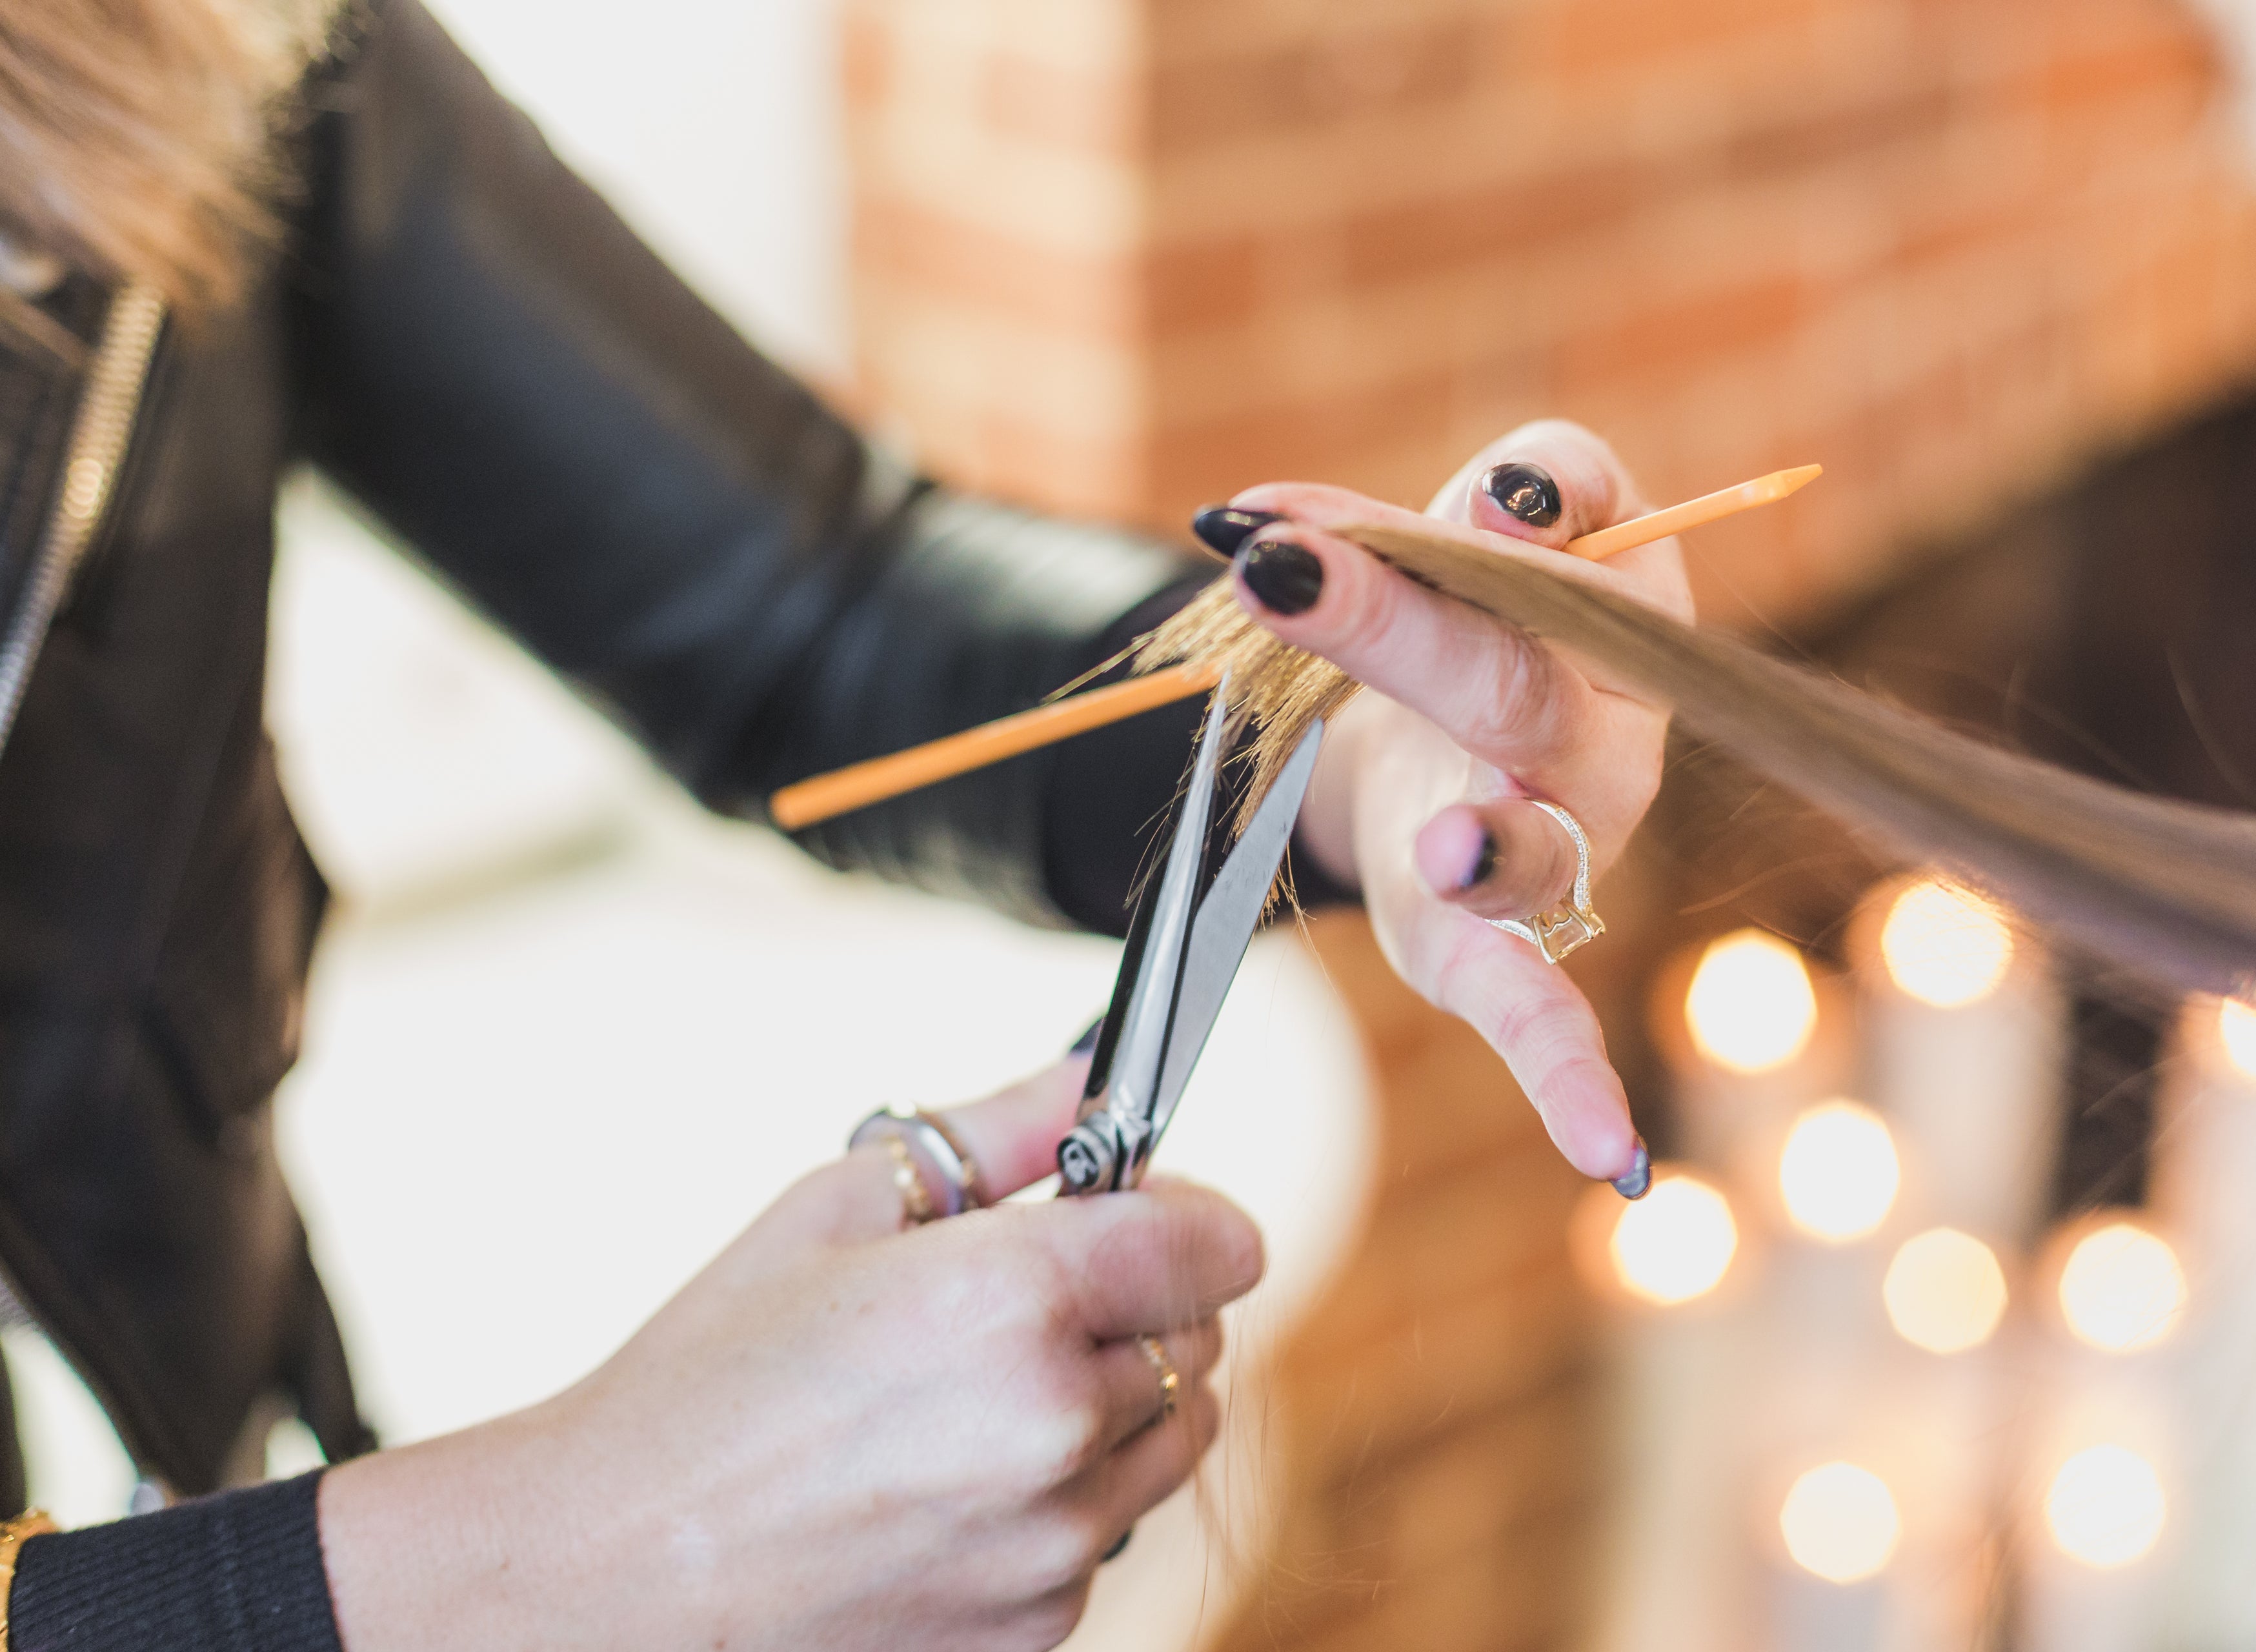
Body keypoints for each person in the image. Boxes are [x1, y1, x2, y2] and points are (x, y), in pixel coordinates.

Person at [0, 1, 1685, 1644]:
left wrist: (1366, 738)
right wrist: (578, 1543)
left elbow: (818, 609)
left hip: (183, 1413)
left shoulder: (176, 37)